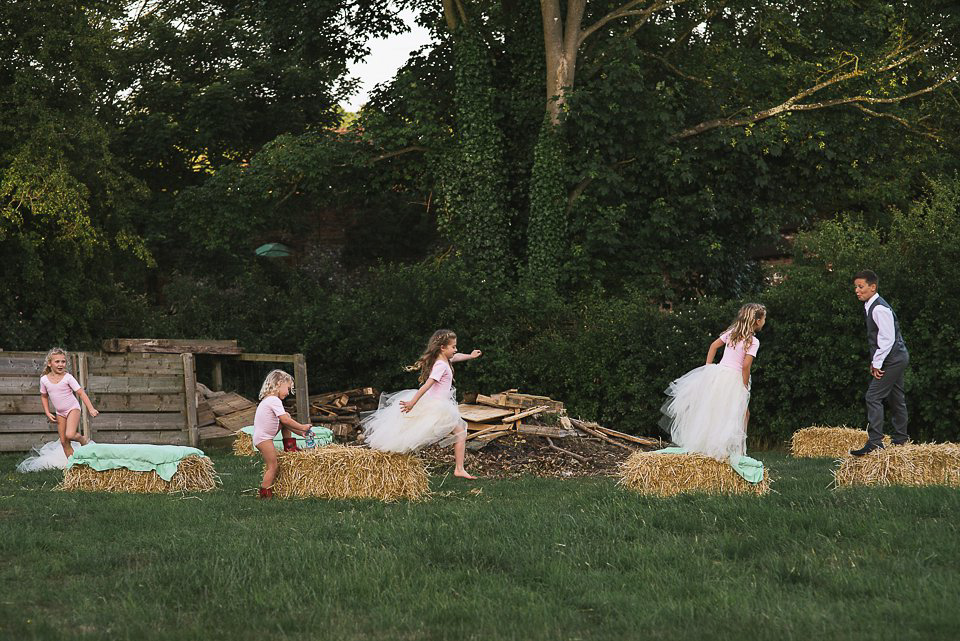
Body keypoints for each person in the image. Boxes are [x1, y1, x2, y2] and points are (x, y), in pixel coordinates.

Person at [361, 329, 480, 479]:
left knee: (460, 432)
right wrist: (412, 403)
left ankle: (459, 469)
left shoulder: (444, 359)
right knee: (415, 436)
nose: (456, 350)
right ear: (443, 347)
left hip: (438, 404)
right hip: (435, 406)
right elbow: (426, 385)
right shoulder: (441, 365)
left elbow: (456, 357)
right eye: (453, 347)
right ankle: (458, 468)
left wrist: (470, 356)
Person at [660, 303, 767, 463]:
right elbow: (745, 366)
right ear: (757, 321)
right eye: (764, 318)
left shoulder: (732, 333)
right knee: (739, 414)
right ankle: (738, 451)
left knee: (716, 411)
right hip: (734, 379)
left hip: (719, 375)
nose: (765, 321)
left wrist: (708, 368)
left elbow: (713, 346)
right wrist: (744, 387)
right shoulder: (753, 341)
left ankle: (714, 446)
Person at [850, 270, 909, 456]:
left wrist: (877, 363)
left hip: (893, 358)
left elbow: (887, 339)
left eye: (861, 287)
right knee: (896, 398)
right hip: (895, 357)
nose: (857, 291)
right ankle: (901, 439)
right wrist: (876, 360)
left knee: (873, 396)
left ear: (872, 287)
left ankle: (875, 442)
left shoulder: (879, 308)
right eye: (856, 287)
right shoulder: (871, 305)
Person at [253, 369, 313, 499]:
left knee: (287, 415)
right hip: (264, 439)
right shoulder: (274, 400)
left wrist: (301, 432)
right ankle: (265, 494)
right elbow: (285, 421)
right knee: (273, 466)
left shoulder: (268, 399)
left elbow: (285, 421)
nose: (289, 392)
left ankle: (289, 447)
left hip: (263, 437)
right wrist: (302, 426)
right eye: (288, 388)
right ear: (278, 384)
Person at [39, 348, 97, 459]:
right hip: (60, 413)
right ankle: (72, 465)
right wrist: (47, 412)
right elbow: (44, 396)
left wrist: (91, 409)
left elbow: (81, 393)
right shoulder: (44, 380)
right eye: (57, 362)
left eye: (63, 361)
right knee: (64, 442)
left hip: (73, 409)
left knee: (70, 434)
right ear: (50, 364)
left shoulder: (68, 378)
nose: (61, 364)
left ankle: (83, 439)